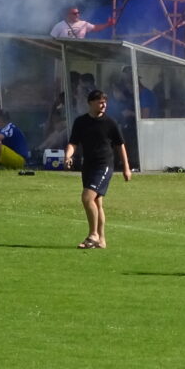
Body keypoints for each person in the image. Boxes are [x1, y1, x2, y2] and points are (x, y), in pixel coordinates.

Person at [64, 89, 132, 249]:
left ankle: (93, 235)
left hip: (104, 165)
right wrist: (68, 156)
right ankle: (102, 240)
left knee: (87, 198)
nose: (103, 105)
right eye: (100, 102)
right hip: (88, 165)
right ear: (90, 103)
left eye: (105, 102)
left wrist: (126, 168)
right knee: (97, 203)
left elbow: (120, 145)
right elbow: (73, 143)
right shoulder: (80, 122)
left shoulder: (110, 123)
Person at [50, 6, 115, 39]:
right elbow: (52, 39)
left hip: (78, 52)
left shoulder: (84, 24)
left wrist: (107, 24)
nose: (77, 15)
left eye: (78, 13)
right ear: (68, 14)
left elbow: (95, 28)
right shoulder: (59, 26)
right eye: (74, 13)